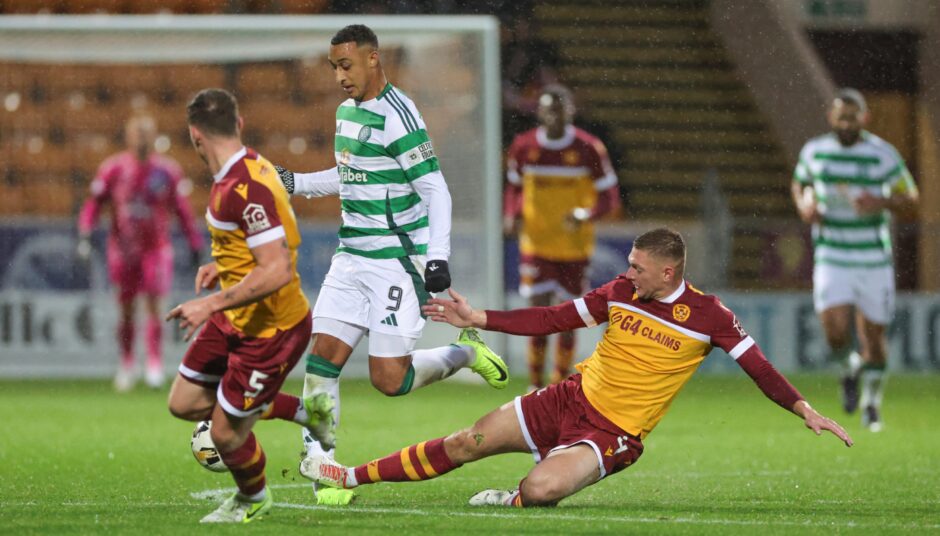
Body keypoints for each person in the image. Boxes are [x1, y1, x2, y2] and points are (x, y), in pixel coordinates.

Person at [298, 227, 853, 507]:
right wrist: (478, 316)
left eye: (638, 267)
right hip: (568, 397)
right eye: (629, 265)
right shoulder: (620, 293)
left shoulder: (709, 316)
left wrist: (803, 408)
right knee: (469, 441)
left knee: (540, 492)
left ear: (668, 271)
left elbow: (759, 367)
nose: (627, 272)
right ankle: (345, 477)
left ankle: (511, 499)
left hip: (613, 433)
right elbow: (553, 318)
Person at [274, 24, 509, 504]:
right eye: (334, 67)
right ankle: (325, 469)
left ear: (373, 59)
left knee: (389, 380)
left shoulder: (400, 115)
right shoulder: (346, 112)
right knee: (322, 362)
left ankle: (464, 353)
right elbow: (351, 174)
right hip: (351, 257)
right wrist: (294, 182)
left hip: (396, 262)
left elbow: (434, 188)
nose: (340, 76)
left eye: (346, 65)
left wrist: (436, 258)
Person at [166, 88, 330, 523]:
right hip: (237, 317)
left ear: (194, 135)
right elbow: (263, 243)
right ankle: (302, 410)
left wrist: (209, 304)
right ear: (238, 124)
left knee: (224, 432)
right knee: (184, 403)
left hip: (272, 330)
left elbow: (276, 269)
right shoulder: (251, 168)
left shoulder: (243, 186)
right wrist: (223, 265)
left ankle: (254, 498)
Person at [791, 88, 919, 432]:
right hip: (832, 254)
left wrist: (880, 202)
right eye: (840, 116)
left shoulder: (882, 154)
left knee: (874, 340)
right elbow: (800, 183)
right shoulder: (815, 151)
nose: (846, 123)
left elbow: (910, 197)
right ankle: (849, 368)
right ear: (831, 118)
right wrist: (805, 205)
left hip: (873, 258)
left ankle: (872, 405)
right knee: (834, 331)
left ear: (864, 118)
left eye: (852, 116)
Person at [504, 84, 621, 391]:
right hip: (536, 243)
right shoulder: (524, 146)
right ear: (539, 113)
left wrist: (584, 215)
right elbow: (514, 188)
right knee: (538, 312)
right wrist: (511, 213)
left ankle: (557, 383)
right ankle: (533, 385)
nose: (553, 115)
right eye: (547, 109)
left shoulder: (588, 148)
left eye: (559, 109)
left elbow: (610, 197)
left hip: (573, 247)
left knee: (568, 316)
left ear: (570, 111)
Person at [77, 113, 203, 391]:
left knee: (155, 306)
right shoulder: (114, 169)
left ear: (154, 136)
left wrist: (194, 242)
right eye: (138, 133)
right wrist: (85, 232)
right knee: (126, 310)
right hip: (122, 250)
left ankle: (155, 365)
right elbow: (93, 205)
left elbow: (182, 210)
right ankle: (127, 363)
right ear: (129, 136)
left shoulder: (167, 171)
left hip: (156, 250)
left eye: (147, 133)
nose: (143, 139)